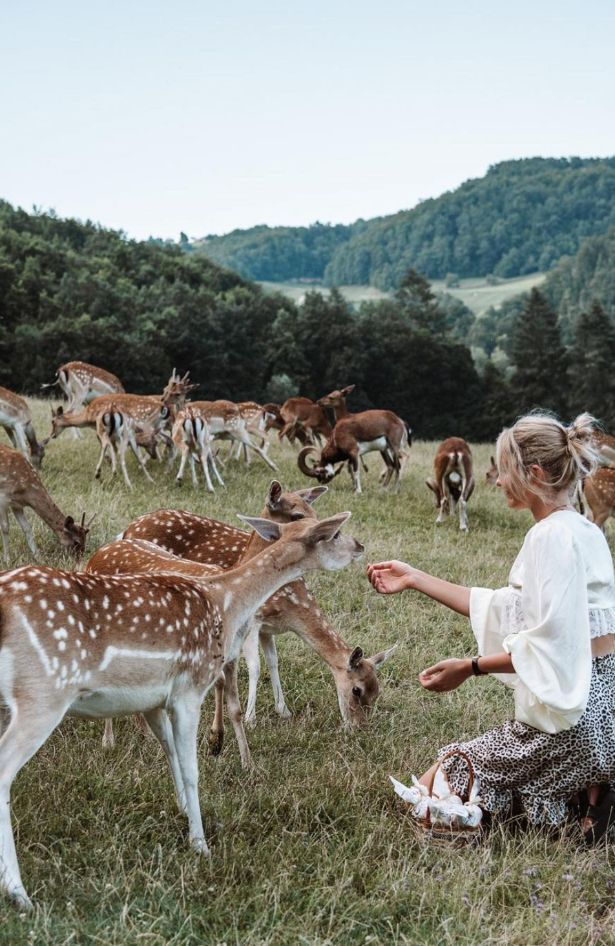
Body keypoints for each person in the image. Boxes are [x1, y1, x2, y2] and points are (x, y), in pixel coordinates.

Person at [368, 412, 615, 842]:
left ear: (533, 474)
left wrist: (470, 666)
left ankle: (578, 803)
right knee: (506, 793)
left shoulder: (548, 538)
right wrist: (414, 577)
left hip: (574, 718)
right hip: (606, 714)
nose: (497, 481)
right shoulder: (584, 531)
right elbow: (502, 607)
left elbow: (551, 646)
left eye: (504, 471)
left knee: (439, 782)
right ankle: (584, 801)